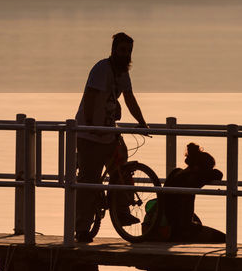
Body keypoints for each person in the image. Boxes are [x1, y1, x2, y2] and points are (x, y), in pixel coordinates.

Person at [73, 31, 149, 243]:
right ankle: (81, 228)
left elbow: (129, 98)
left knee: (122, 168)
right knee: (89, 182)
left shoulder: (123, 73)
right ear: (114, 50)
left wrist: (142, 122)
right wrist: (89, 124)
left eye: (129, 52)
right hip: (91, 135)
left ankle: (121, 211)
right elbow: (89, 96)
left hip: (109, 133)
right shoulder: (101, 69)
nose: (126, 55)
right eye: (123, 50)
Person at [154, 143, 225, 243]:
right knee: (224, 238)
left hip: (168, 224)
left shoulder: (175, 173)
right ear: (200, 168)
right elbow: (218, 174)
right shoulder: (194, 178)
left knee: (198, 223)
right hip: (183, 229)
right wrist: (206, 172)